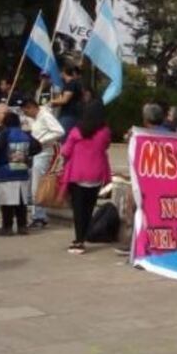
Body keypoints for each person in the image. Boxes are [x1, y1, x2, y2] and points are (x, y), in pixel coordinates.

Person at [60, 100, 112, 255]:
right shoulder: (105, 131)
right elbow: (106, 146)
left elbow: (65, 152)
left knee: (78, 209)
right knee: (88, 208)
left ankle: (79, 240)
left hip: (77, 174)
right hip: (96, 174)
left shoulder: (77, 131)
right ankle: (82, 236)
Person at [0, 112, 41, 235]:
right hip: (21, 170)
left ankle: (7, 227)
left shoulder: (5, 133)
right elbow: (38, 146)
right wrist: (26, 156)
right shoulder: (25, 134)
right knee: (21, 201)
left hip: (6, 171)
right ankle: (22, 226)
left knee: (7, 202)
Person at [21, 99, 64, 228]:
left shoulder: (45, 116)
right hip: (35, 152)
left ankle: (39, 216)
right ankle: (37, 214)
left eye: (26, 111)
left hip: (43, 152)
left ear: (31, 107)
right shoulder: (34, 118)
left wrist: (42, 140)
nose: (26, 114)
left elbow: (59, 131)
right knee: (32, 184)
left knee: (37, 185)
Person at [48, 65, 83, 135]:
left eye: (61, 72)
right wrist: (54, 104)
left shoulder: (71, 83)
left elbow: (65, 100)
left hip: (69, 114)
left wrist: (51, 101)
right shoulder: (69, 84)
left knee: (62, 135)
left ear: (64, 73)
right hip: (71, 114)